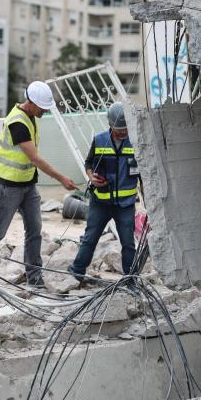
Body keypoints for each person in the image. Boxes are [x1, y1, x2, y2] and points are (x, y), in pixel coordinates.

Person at [0, 81, 77, 291]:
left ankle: (34, 278)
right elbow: (35, 158)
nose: (45, 111)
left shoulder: (31, 116)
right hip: (9, 186)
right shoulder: (17, 122)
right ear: (31, 102)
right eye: (43, 107)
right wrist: (62, 179)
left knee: (34, 231)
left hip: (28, 184)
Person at [68, 102, 139, 281]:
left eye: (125, 128)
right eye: (119, 129)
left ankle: (131, 279)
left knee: (128, 242)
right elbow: (89, 163)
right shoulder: (99, 140)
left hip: (126, 204)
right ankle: (77, 272)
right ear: (110, 124)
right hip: (101, 202)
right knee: (90, 238)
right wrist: (91, 177)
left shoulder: (137, 141)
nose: (123, 132)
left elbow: (145, 173)